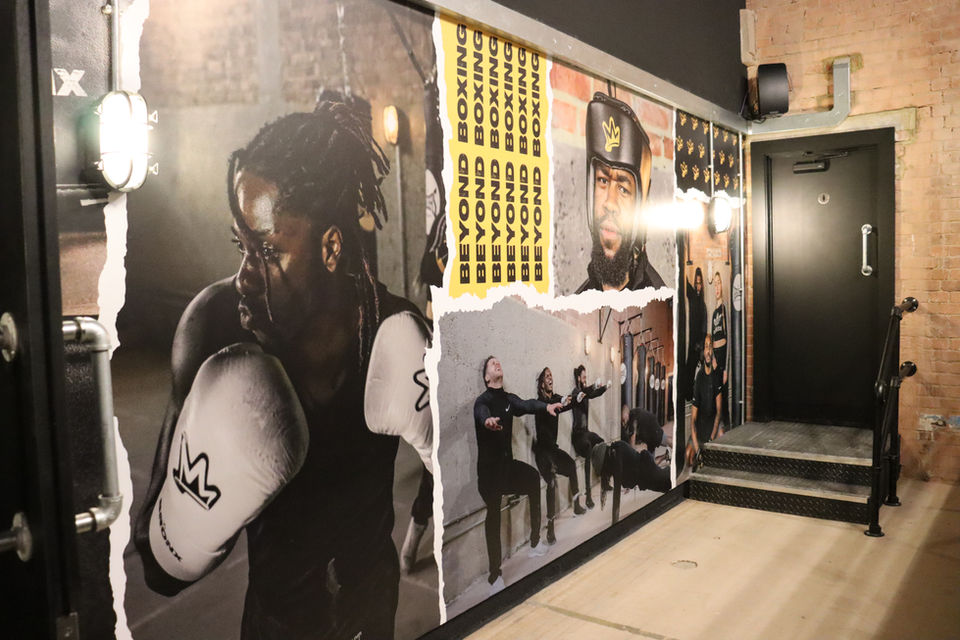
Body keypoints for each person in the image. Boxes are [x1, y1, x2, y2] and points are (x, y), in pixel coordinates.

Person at [133, 100, 434, 640]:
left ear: (330, 248)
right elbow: (158, 565)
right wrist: (190, 517)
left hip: (374, 611)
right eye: (241, 246)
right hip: (276, 625)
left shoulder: (391, 331)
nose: (245, 277)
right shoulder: (216, 325)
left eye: (267, 251)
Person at [474, 357, 563, 594]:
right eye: (492, 364)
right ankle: (494, 576)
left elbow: (526, 405)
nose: (497, 364)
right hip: (489, 472)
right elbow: (481, 412)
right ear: (486, 377)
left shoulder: (508, 399)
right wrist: (487, 421)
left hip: (507, 467)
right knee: (493, 513)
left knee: (533, 478)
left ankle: (534, 544)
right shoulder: (482, 401)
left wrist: (546, 407)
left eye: (498, 362)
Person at [577, 92, 665, 292]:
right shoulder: (579, 300)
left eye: (623, 189)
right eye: (603, 180)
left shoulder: (659, 301)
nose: (610, 203)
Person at [533, 367, 585, 545]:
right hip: (542, 452)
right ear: (542, 384)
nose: (551, 378)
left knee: (571, 465)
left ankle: (576, 505)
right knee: (551, 481)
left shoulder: (555, 398)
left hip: (553, 450)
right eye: (547, 376)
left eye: (551, 376)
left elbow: (566, 403)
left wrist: (577, 398)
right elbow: (546, 407)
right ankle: (550, 528)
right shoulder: (540, 403)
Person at [592, 440, 671, 524]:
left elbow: (616, 496)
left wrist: (614, 524)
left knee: (667, 483)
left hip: (647, 474)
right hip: (646, 473)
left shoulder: (616, 457)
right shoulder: (616, 448)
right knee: (666, 483)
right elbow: (630, 462)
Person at [569, 365, 610, 509]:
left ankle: (605, 482)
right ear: (578, 378)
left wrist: (604, 388)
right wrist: (593, 386)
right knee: (587, 447)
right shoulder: (576, 393)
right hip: (578, 435)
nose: (585, 379)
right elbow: (585, 393)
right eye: (584, 377)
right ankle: (588, 496)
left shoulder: (585, 393)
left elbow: (592, 394)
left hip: (586, 432)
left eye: (586, 377)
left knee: (602, 443)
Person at [686, 334, 722, 469]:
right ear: (703, 351)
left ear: (712, 351)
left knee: (722, 437)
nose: (708, 350)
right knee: (689, 456)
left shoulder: (716, 376)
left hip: (713, 428)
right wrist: (697, 450)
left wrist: (711, 440)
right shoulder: (699, 378)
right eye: (706, 347)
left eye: (710, 347)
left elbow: (718, 412)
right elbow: (693, 421)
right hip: (700, 429)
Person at [684, 266, 707, 400]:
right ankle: (688, 395)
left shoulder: (702, 304)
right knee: (688, 369)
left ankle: (692, 395)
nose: (698, 285)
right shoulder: (692, 296)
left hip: (697, 344)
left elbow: (704, 327)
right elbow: (685, 283)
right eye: (697, 282)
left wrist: (700, 345)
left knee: (694, 370)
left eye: (700, 283)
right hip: (690, 340)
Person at [711, 271, 729, 431]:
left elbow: (728, 338)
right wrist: (713, 359)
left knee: (723, 392)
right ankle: (716, 426)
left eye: (719, 283)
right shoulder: (714, 312)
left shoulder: (724, 309)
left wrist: (726, 368)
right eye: (715, 284)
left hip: (723, 354)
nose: (717, 287)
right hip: (715, 356)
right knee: (715, 392)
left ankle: (727, 425)